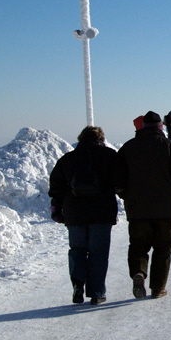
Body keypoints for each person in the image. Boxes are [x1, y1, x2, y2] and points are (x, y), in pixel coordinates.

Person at [116, 111, 171, 300]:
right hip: (164, 209)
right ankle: (158, 288)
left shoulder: (128, 148)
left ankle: (139, 272)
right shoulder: (169, 147)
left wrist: (127, 196)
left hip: (137, 209)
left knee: (138, 245)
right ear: (161, 126)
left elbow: (117, 180)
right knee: (163, 247)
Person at [49, 126, 118, 305]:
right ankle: (96, 293)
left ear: (80, 139)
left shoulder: (68, 159)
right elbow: (121, 181)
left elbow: (56, 186)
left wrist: (56, 208)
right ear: (101, 139)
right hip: (102, 213)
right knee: (98, 253)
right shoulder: (110, 156)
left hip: (74, 213)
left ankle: (78, 284)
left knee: (77, 250)